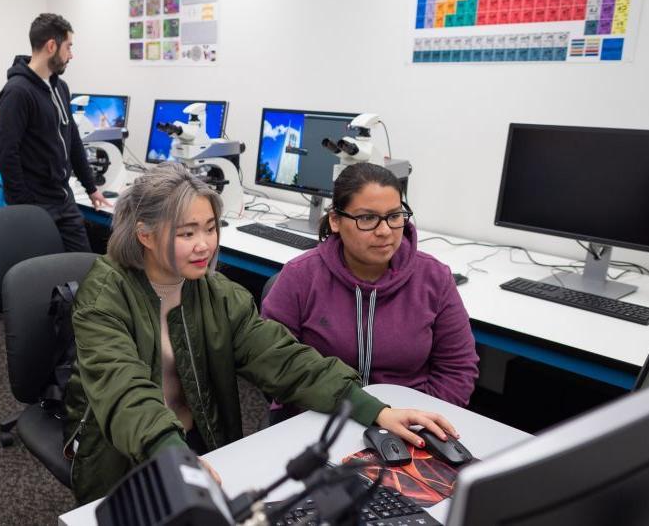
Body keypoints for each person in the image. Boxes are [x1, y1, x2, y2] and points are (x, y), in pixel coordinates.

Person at [63, 162, 459, 503]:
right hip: (124, 453)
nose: (204, 245)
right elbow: (124, 389)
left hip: (202, 440)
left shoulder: (216, 293)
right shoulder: (105, 296)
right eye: (186, 233)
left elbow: (280, 357)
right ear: (145, 235)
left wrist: (373, 408)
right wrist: (171, 454)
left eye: (210, 228)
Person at [262, 163, 478, 419]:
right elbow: (275, 366)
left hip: (411, 422)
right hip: (320, 417)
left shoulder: (434, 278)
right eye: (367, 218)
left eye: (394, 216)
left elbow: (457, 370)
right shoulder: (300, 276)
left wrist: (419, 420)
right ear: (335, 220)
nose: (385, 231)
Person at [0, 13, 109, 252]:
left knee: (83, 269)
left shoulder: (60, 88)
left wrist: (91, 187)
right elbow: (6, 154)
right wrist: (25, 206)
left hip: (63, 200)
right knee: (45, 277)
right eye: (69, 47)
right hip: (35, 205)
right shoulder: (17, 92)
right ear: (51, 46)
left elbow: (73, 140)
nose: (71, 55)